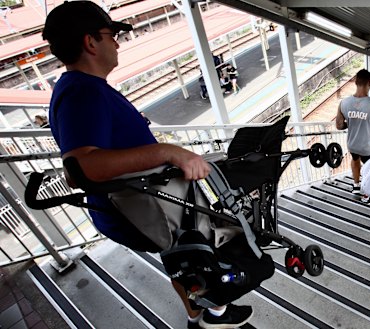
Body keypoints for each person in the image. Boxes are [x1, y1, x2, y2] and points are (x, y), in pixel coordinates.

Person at [42, 2, 263, 328]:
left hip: (145, 205)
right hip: (137, 210)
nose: (117, 42)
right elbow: (82, 167)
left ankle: (200, 314)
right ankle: (214, 314)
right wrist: (166, 152)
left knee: (181, 260)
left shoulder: (83, 89)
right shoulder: (81, 93)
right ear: (90, 42)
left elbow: (81, 158)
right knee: (202, 250)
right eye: (111, 35)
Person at [336, 69, 370, 205]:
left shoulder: (343, 103)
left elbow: (339, 125)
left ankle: (356, 184)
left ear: (355, 81)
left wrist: (352, 121)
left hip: (352, 144)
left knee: (355, 159)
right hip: (368, 147)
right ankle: (367, 194)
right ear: (369, 83)